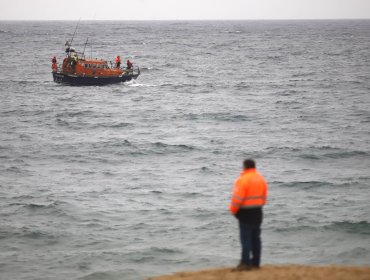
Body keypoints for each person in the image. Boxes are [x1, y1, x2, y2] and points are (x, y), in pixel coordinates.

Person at [229, 159, 268, 271]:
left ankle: (245, 263)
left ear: (245, 167)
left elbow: (237, 199)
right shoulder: (261, 178)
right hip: (258, 212)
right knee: (256, 238)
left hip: (245, 213)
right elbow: (264, 197)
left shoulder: (243, 179)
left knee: (245, 239)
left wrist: (233, 210)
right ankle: (256, 263)